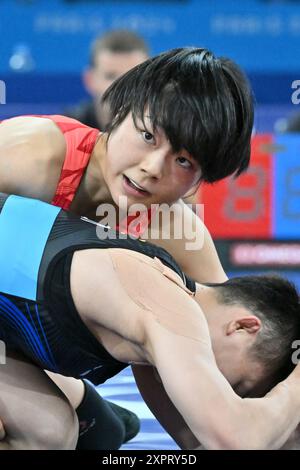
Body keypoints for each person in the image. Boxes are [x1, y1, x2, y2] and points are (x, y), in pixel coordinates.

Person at [0, 47, 254, 447]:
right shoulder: (28, 155)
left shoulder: (175, 230)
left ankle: (91, 412)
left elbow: (230, 341)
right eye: (148, 135)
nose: (152, 167)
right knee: (49, 431)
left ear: (203, 180)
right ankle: (81, 403)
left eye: (184, 160)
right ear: (120, 113)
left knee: (96, 435)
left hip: (24, 340)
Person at [0, 193, 300, 450]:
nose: (223, 393)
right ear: (243, 327)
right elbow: (235, 441)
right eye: (237, 387)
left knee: (47, 430)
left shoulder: (152, 344)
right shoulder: (168, 309)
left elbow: (198, 444)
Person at [66, 29, 149, 129]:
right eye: (111, 76)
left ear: (149, 80)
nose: (122, 87)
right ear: (89, 80)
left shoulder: (164, 131)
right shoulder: (66, 132)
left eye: (132, 76)